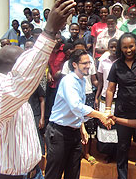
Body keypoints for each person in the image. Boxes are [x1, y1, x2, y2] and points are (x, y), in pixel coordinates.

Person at [0, 0, 77, 178]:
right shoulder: (4, 92)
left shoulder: (19, 94)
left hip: (34, 172)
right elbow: (26, 77)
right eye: (23, 61)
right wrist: (49, 30)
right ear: (15, 68)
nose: (30, 65)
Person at [45, 49, 114, 179]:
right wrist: (101, 115)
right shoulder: (69, 81)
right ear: (75, 64)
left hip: (74, 132)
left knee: (73, 172)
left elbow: (77, 110)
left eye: (89, 62)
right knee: (54, 174)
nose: (88, 66)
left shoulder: (82, 81)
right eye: (84, 63)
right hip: (59, 133)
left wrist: (81, 127)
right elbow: (76, 106)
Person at [106, 33, 136, 179]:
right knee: (122, 147)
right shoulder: (116, 65)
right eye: (124, 47)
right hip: (122, 112)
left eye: (131, 46)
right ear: (120, 48)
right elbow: (110, 89)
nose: (128, 50)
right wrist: (108, 110)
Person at [95, 38, 118, 163]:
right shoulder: (102, 62)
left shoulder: (122, 61)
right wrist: (97, 97)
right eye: (111, 47)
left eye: (116, 47)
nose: (114, 49)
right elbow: (101, 82)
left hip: (118, 98)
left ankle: (117, 153)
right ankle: (108, 153)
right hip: (105, 97)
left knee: (117, 127)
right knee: (106, 125)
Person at [45, 31, 66, 123]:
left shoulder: (64, 50)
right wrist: (48, 73)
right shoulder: (49, 50)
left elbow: (69, 63)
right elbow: (47, 64)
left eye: (57, 39)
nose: (55, 41)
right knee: (50, 104)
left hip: (61, 83)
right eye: (54, 39)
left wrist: (61, 72)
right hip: (51, 83)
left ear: (60, 39)